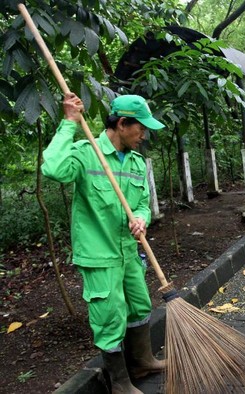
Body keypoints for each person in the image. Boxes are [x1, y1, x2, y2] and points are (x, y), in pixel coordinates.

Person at [42, 93, 166, 393]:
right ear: (123, 124)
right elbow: (53, 168)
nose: (144, 135)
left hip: (128, 250)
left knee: (139, 307)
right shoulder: (87, 153)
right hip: (99, 255)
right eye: (141, 128)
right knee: (109, 318)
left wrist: (140, 217)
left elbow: (142, 204)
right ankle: (120, 384)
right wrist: (69, 122)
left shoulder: (136, 162)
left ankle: (142, 361)